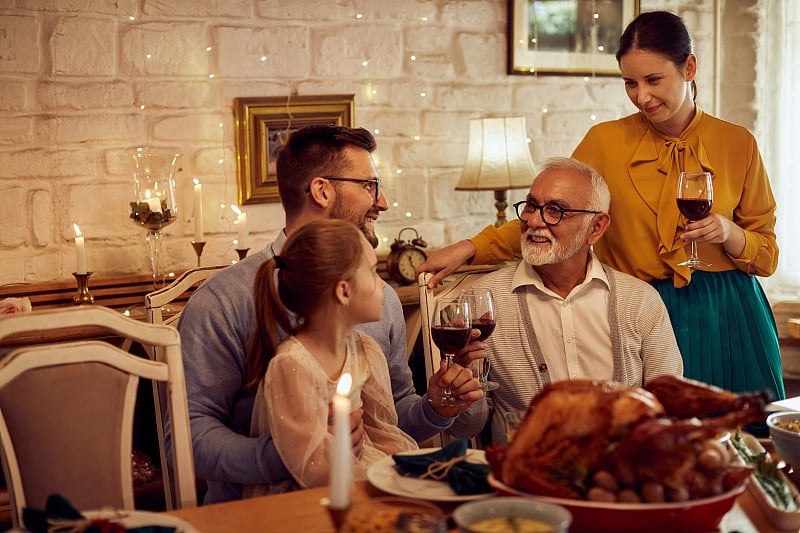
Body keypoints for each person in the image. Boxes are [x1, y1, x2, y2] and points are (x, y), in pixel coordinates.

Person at [418, 10, 784, 400]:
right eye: (630, 82)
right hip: (646, 311)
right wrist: (469, 248)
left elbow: (767, 257)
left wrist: (728, 232)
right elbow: (549, 216)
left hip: (729, 316)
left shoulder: (738, 143)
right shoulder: (605, 141)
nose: (641, 95)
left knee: (742, 445)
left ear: (689, 67)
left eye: (653, 80)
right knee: (652, 445)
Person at [177, 124, 483, 504]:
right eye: (369, 185)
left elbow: (388, 419)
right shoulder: (222, 302)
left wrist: (436, 407)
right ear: (322, 190)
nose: (383, 201)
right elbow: (190, 436)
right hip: (260, 512)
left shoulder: (378, 298)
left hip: (368, 501)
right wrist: (293, 455)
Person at [447, 157, 683, 444]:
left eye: (555, 211)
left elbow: (670, 407)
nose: (534, 221)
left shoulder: (640, 300)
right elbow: (464, 429)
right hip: (525, 475)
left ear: (596, 227)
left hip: (620, 474)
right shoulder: (485, 302)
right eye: (531, 206)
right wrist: (461, 389)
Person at [243, 219, 418, 497]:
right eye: (373, 273)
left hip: (362, 473)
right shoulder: (292, 365)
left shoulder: (365, 350)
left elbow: (383, 431)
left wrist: (410, 473)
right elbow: (309, 469)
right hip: (312, 497)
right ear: (343, 291)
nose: (383, 285)